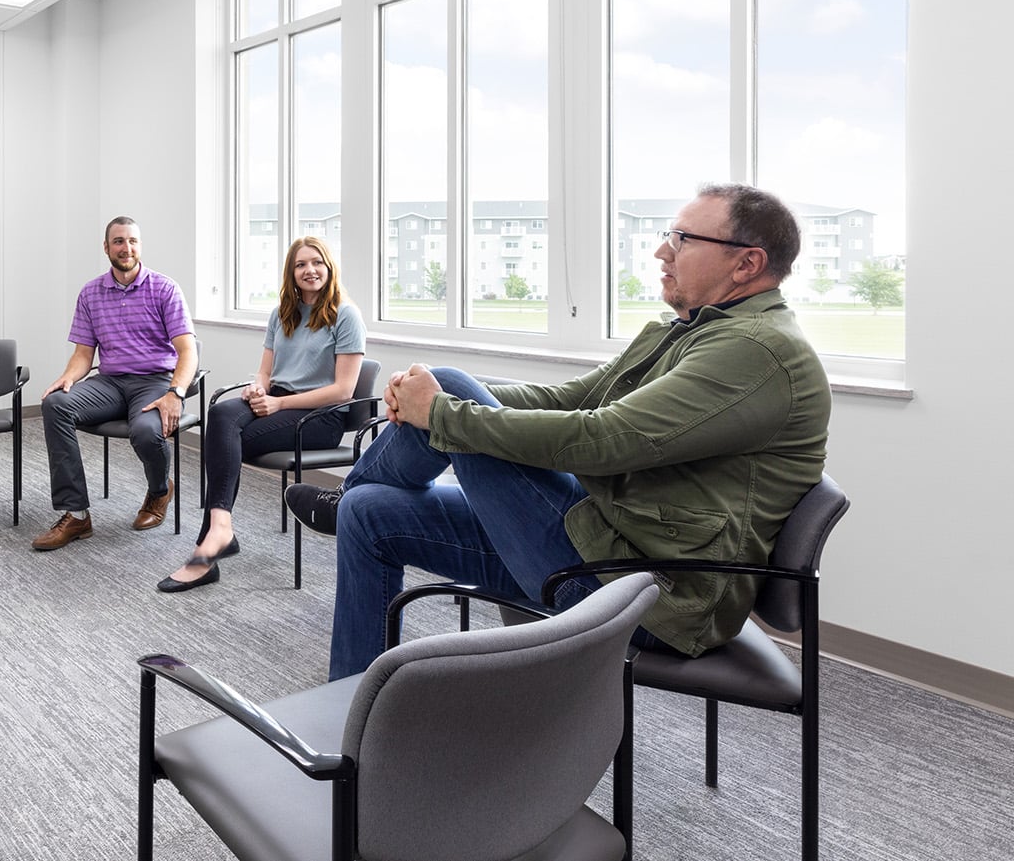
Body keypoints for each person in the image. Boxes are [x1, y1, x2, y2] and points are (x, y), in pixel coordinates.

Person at [287, 184, 830, 680]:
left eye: (682, 239)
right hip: (600, 540)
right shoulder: (687, 331)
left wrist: (444, 410)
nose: (663, 251)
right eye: (670, 236)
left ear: (748, 263)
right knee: (371, 513)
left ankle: (347, 492)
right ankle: (352, 705)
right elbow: (568, 400)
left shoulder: (757, 351)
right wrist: (439, 398)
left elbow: (604, 440)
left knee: (447, 393)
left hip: (646, 594)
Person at [158, 236, 364, 593]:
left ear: (329, 267)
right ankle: (220, 529)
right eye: (300, 265)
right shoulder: (281, 313)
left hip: (320, 417)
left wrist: (280, 404)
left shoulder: (345, 315)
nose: (309, 270)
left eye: (316, 262)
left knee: (224, 443)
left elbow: (344, 391)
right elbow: (265, 372)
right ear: (291, 272)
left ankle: (209, 545)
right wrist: (258, 388)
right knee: (222, 413)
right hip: (277, 404)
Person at [32, 217, 197, 551]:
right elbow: (83, 354)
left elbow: (187, 351)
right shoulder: (91, 293)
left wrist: (175, 394)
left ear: (140, 246)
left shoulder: (165, 288)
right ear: (106, 248)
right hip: (109, 382)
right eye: (119, 241)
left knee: (148, 431)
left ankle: (159, 491)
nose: (127, 248)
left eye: (133, 241)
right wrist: (68, 377)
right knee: (56, 404)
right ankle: (76, 514)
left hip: (154, 380)